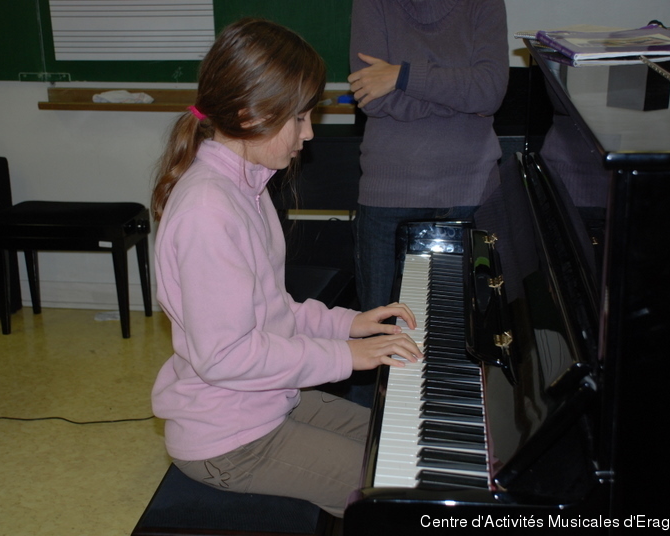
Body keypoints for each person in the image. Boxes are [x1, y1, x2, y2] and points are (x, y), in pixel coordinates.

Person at [149, 18, 423, 518]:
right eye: (298, 117)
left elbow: (270, 309)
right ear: (249, 114)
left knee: (406, 446)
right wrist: (347, 355)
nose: (309, 132)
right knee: (399, 498)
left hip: (266, 403)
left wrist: (350, 324)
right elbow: (227, 355)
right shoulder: (209, 210)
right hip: (231, 441)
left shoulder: (245, 187)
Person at [344, 0, 509, 407]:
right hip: (387, 196)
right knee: (381, 339)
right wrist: (459, 97)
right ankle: (374, 436)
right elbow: (372, 98)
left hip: (471, 191)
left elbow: (489, 91)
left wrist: (403, 75)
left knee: (466, 339)